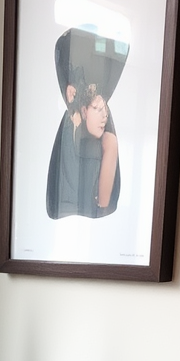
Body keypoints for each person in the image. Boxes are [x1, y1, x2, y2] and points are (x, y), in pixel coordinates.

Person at [46, 28, 127, 220]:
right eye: (99, 110)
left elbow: (104, 203)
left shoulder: (108, 142)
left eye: (105, 111)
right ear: (84, 110)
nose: (104, 117)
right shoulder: (70, 130)